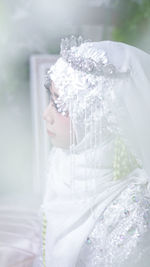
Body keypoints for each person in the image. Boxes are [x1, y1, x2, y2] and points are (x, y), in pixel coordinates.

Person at [38, 35, 150, 267]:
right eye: (51, 99)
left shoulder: (131, 211)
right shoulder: (62, 160)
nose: (46, 115)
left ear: (99, 115)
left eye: (59, 104)